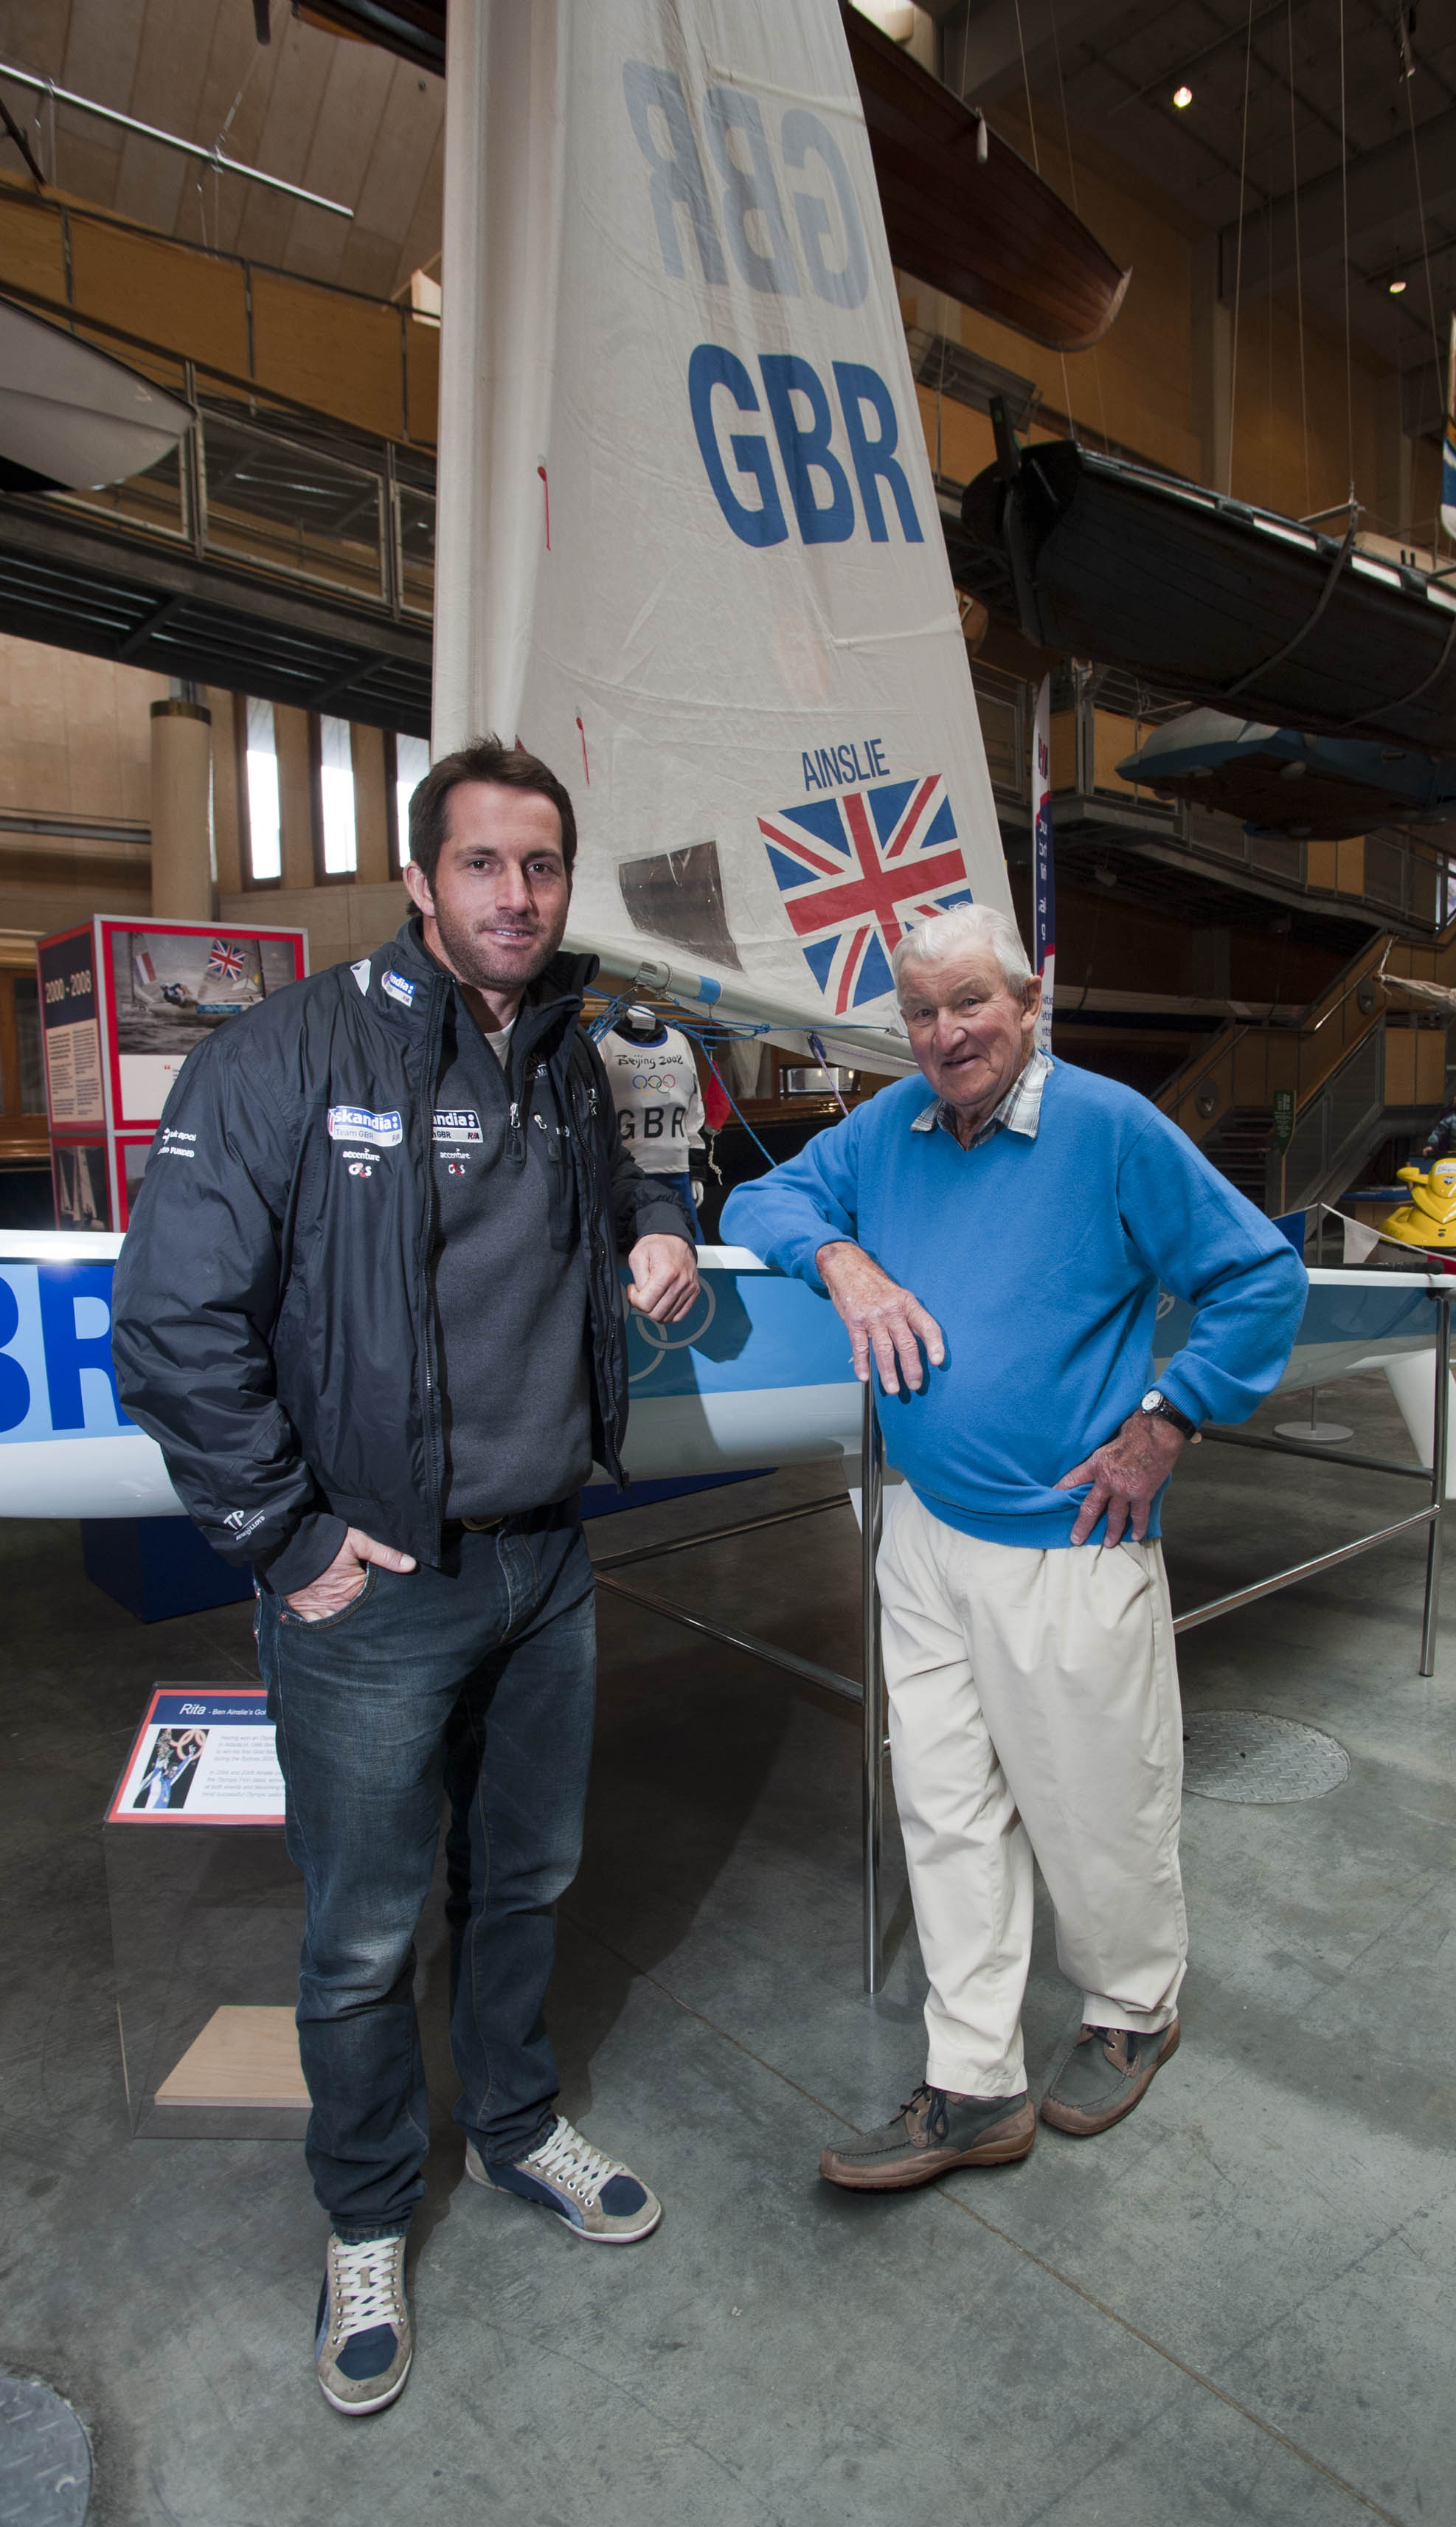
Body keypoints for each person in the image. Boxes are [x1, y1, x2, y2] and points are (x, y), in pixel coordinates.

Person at [112, 739, 700, 2416]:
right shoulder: (286, 1056)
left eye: (540, 865)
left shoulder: (567, 1058)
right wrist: (287, 1538)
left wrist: (657, 1216)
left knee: (524, 1883)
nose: (515, 895)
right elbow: (170, 1320)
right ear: (419, 877)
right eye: (482, 863)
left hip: (545, 1562)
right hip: (373, 1588)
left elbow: (616, 1191)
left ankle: (512, 2124)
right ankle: (367, 2215)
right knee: (364, 1937)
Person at [722, 902, 1306, 2191]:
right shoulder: (889, 1126)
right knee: (943, 1811)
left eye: (969, 1003)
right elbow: (762, 1198)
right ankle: (973, 2079)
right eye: (920, 1013)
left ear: (1029, 1002)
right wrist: (840, 1260)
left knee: (1096, 1808)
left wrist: (1167, 1422)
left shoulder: (1107, 1129)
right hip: (921, 1534)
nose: (944, 1034)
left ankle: (1133, 2008)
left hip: (1067, 1539)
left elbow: (1259, 1276)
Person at [600, 1005, 707, 1234]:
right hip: (626, 1174)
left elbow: (694, 1110)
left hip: (677, 1169)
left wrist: (696, 1170)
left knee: (687, 1242)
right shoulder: (603, 1042)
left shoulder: (679, 1041)